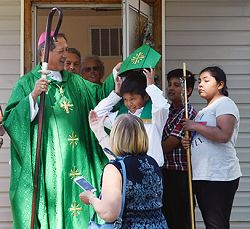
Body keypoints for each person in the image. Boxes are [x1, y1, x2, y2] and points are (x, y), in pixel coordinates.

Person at [2, 31, 115, 228]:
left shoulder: (76, 82)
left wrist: (116, 77)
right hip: (49, 165)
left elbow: (99, 94)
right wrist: (34, 95)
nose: (65, 55)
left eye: (66, 50)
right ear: (44, 52)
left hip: (79, 160)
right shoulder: (27, 83)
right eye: (61, 51)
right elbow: (11, 120)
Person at [80, 111, 169, 228]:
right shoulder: (152, 162)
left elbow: (109, 213)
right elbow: (122, 163)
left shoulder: (114, 169)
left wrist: (91, 198)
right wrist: (98, 131)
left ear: (115, 137)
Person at [182, 66, 242, 229]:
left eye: (206, 80)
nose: (201, 84)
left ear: (220, 84)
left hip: (219, 175)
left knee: (216, 224)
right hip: (203, 174)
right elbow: (203, 138)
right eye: (200, 81)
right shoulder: (203, 111)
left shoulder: (225, 104)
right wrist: (188, 142)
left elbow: (223, 135)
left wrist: (194, 126)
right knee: (211, 223)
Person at [161, 69, 197, 229]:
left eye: (176, 85)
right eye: (169, 84)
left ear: (188, 91)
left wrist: (151, 150)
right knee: (167, 215)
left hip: (181, 174)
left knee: (181, 218)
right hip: (165, 171)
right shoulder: (166, 111)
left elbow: (170, 143)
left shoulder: (188, 112)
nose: (171, 88)